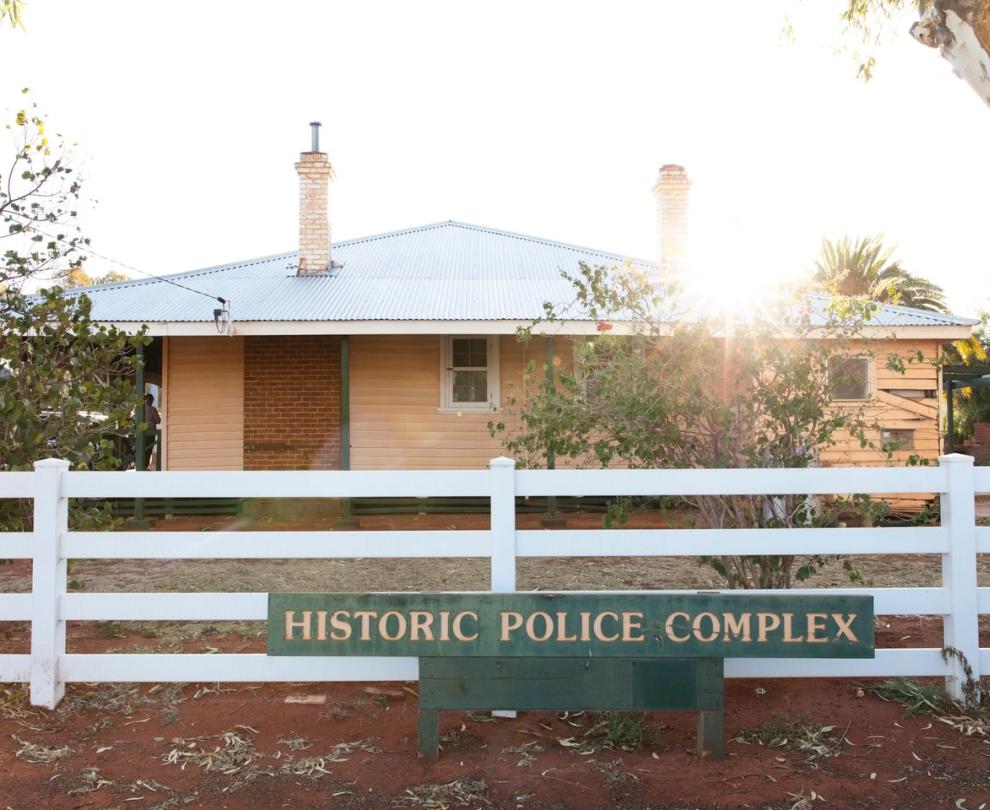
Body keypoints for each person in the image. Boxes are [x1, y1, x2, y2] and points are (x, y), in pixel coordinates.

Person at [137, 393, 161, 470]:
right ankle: (146, 466)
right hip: (150, 432)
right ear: (150, 400)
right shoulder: (152, 409)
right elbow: (158, 421)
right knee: (149, 449)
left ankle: (140, 466)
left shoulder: (139, 409)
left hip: (140, 431)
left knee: (141, 449)